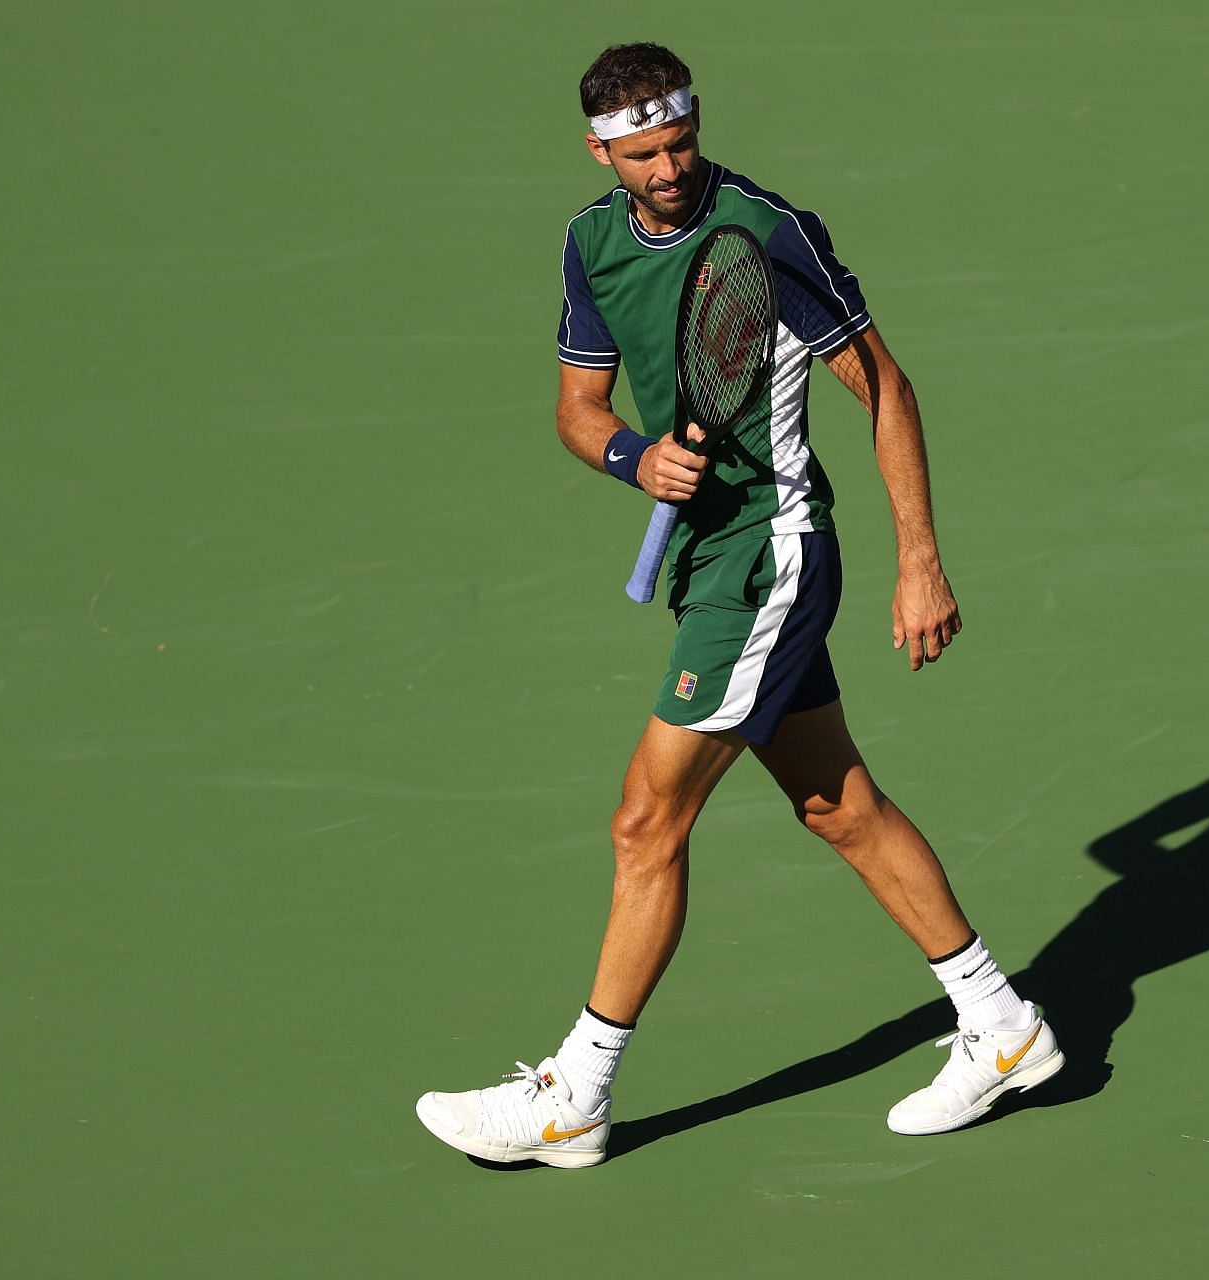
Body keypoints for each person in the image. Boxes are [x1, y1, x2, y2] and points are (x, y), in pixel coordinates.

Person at [414, 42, 1060, 1168]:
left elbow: (885, 385)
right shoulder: (590, 242)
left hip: (773, 552)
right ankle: (1003, 1026)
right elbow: (578, 403)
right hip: (706, 559)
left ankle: (577, 1093)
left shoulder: (765, 233)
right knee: (836, 803)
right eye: (642, 151)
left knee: (645, 818)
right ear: (600, 149)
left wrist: (922, 560)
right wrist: (630, 457)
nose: (668, 168)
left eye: (680, 142)